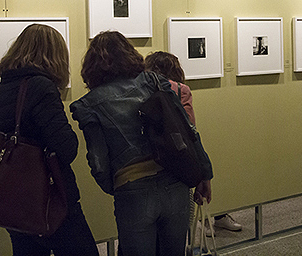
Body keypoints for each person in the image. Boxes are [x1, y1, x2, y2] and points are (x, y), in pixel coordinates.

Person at [70, 31, 213, 256]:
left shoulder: (87, 105)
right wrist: (204, 173)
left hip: (132, 189)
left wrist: (118, 185)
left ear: (91, 66)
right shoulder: (154, 81)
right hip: (174, 180)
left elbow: (97, 160)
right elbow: (187, 129)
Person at [0, 24, 99, 256]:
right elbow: (66, 148)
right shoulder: (41, 87)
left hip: (10, 198)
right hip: (49, 197)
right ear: (53, 55)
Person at [144, 51, 241, 236]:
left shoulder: (139, 90)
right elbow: (190, 134)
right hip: (176, 168)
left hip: (146, 168)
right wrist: (204, 174)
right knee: (175, 235)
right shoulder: (181, 90)